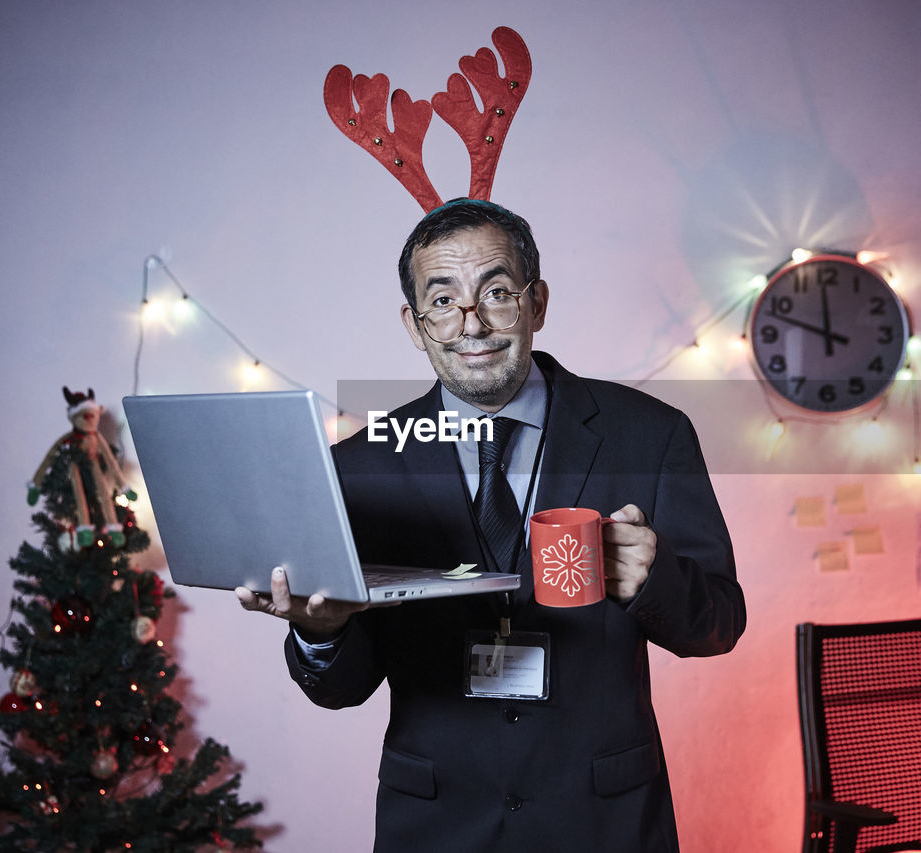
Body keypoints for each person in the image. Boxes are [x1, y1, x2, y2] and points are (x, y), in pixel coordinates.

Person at [237, 199, 745, 852]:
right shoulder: (358, 466)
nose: (471, 323)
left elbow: (720, 622)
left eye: (496, 292)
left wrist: (655, 578)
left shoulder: (650, 434)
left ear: (537, 302)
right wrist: (319, 632)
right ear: (415, 324)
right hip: (436, 822)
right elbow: (342, 688)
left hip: (604, 822)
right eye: (442, 300)